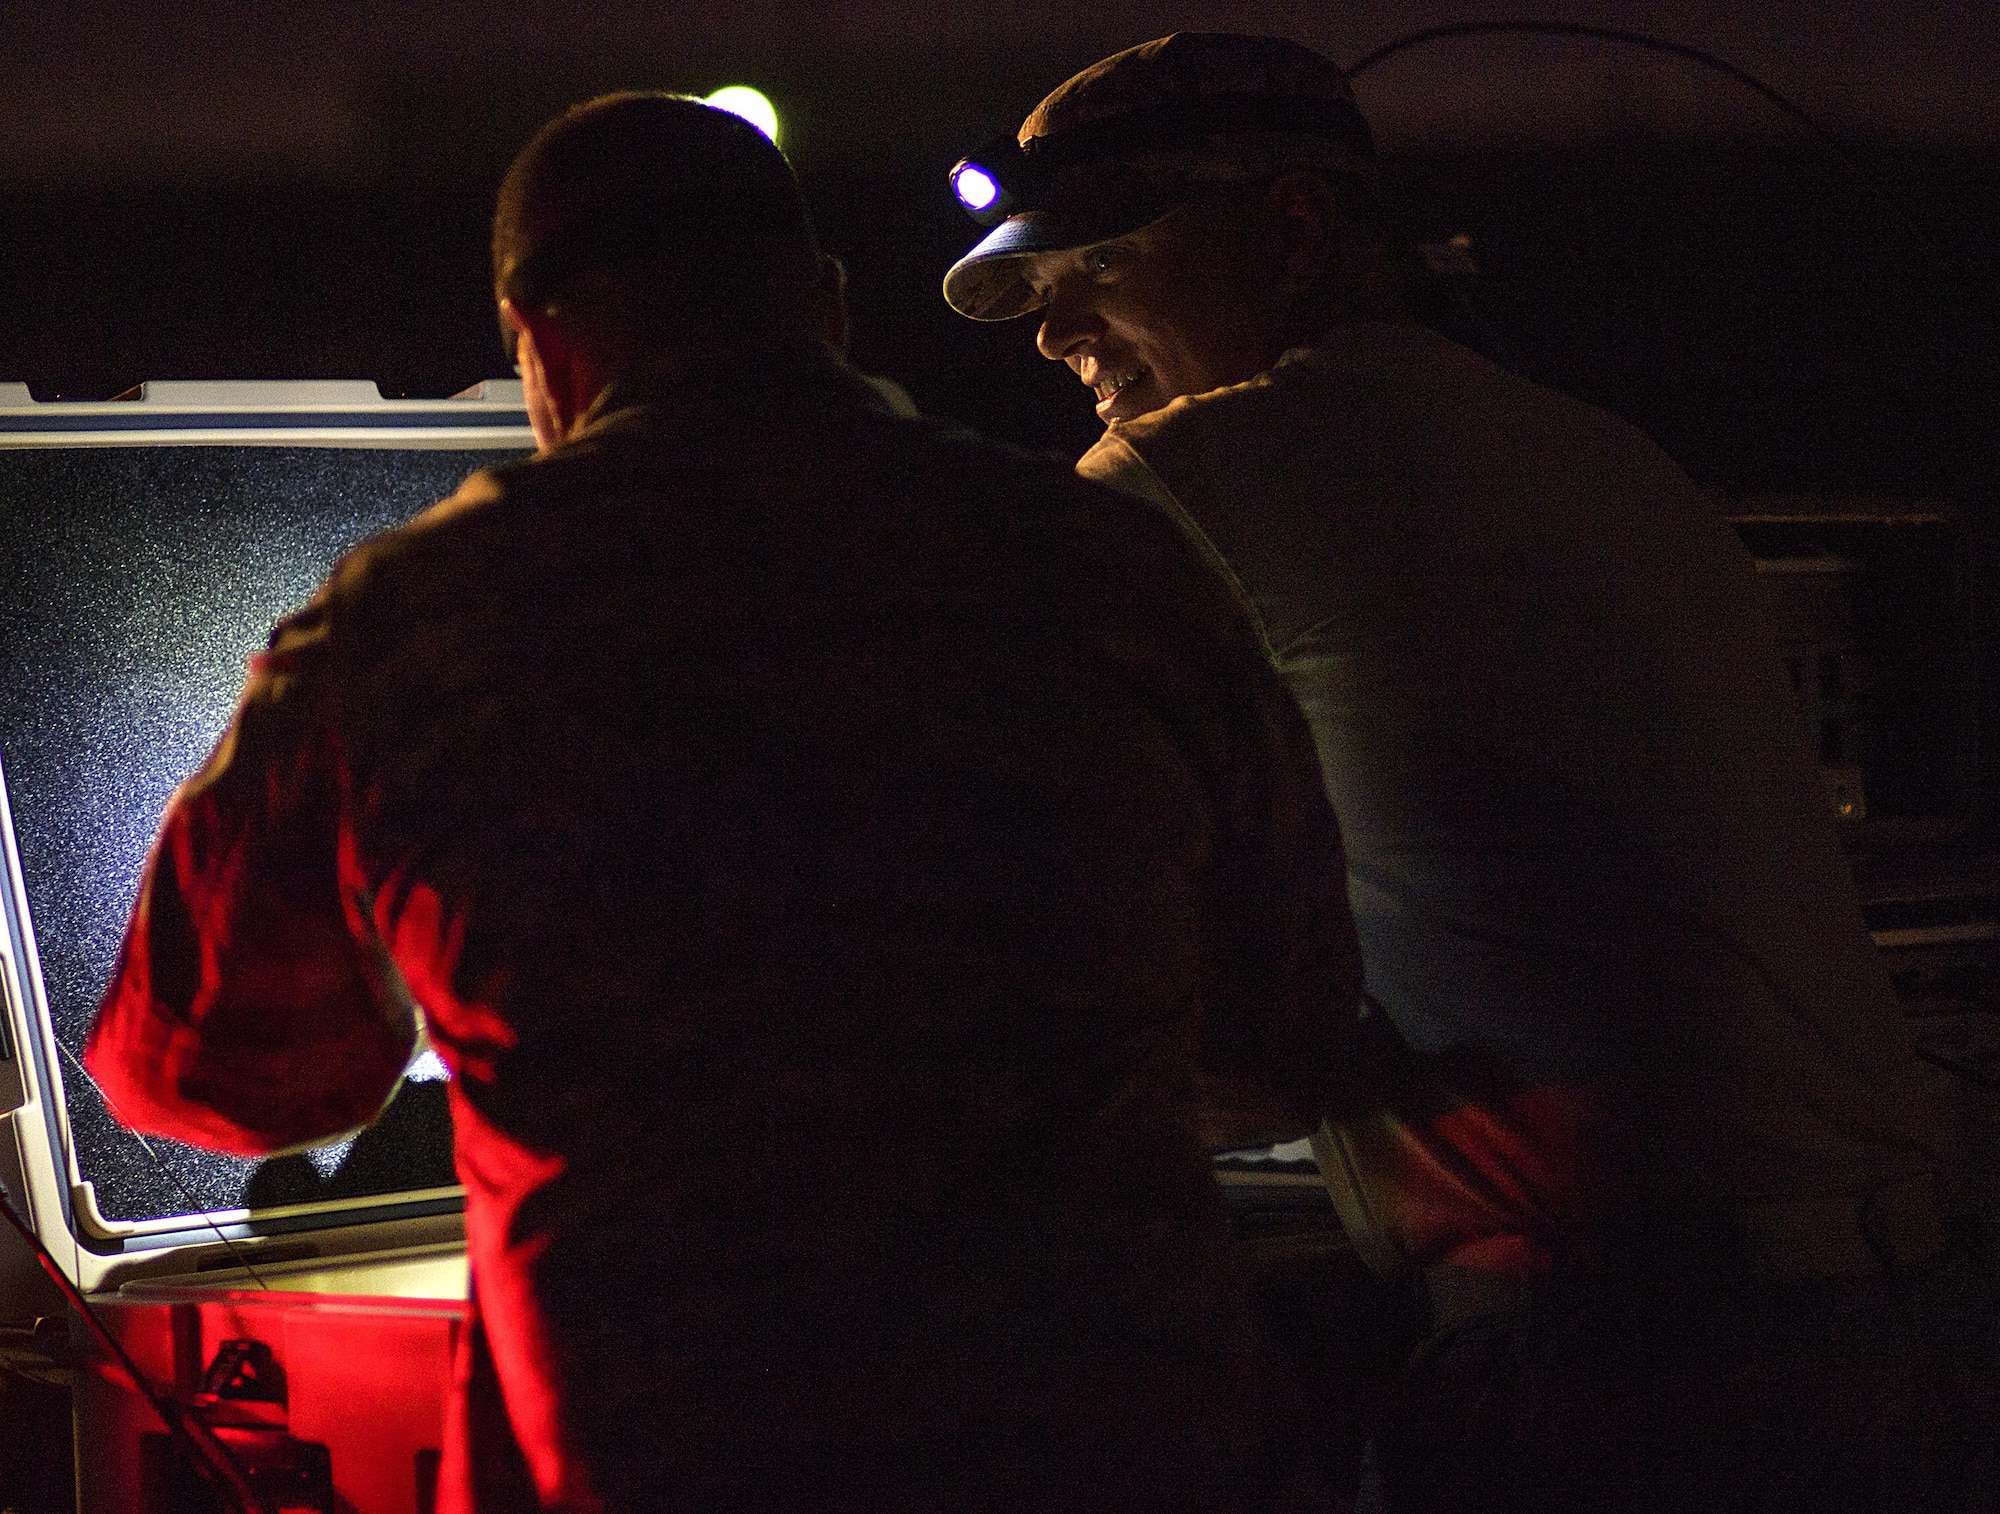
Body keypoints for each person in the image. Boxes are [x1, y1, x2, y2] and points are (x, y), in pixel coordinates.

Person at [85, 92, 1367, 1512]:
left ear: (537, 341)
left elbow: (196, 1072)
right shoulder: (1121, 567)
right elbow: (1286, 1036)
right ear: (826, 306)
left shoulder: (420, 625)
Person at [944, 32, 1994, 1512]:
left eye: (1096, 264)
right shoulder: (1603, 454)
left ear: (1293, 228)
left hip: (1628, 1371)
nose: (1053, 333)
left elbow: (929, 768)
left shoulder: (1210, 467)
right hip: (1898, 1332)